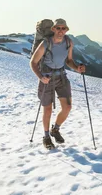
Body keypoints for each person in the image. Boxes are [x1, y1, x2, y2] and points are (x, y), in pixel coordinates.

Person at [30, 19, 86, 149]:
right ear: (53, 29)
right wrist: (41, 77)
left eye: (64, 28)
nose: (61, 31)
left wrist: (77, 68)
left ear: (66, 30)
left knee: (67, 107)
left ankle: (55, 129)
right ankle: (46, 136)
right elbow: (33, 62)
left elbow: (69, 60)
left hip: (61, 76)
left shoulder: (68, 42)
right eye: (58, 28)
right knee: (47, 109)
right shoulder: (45, 43)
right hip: (47, 77)